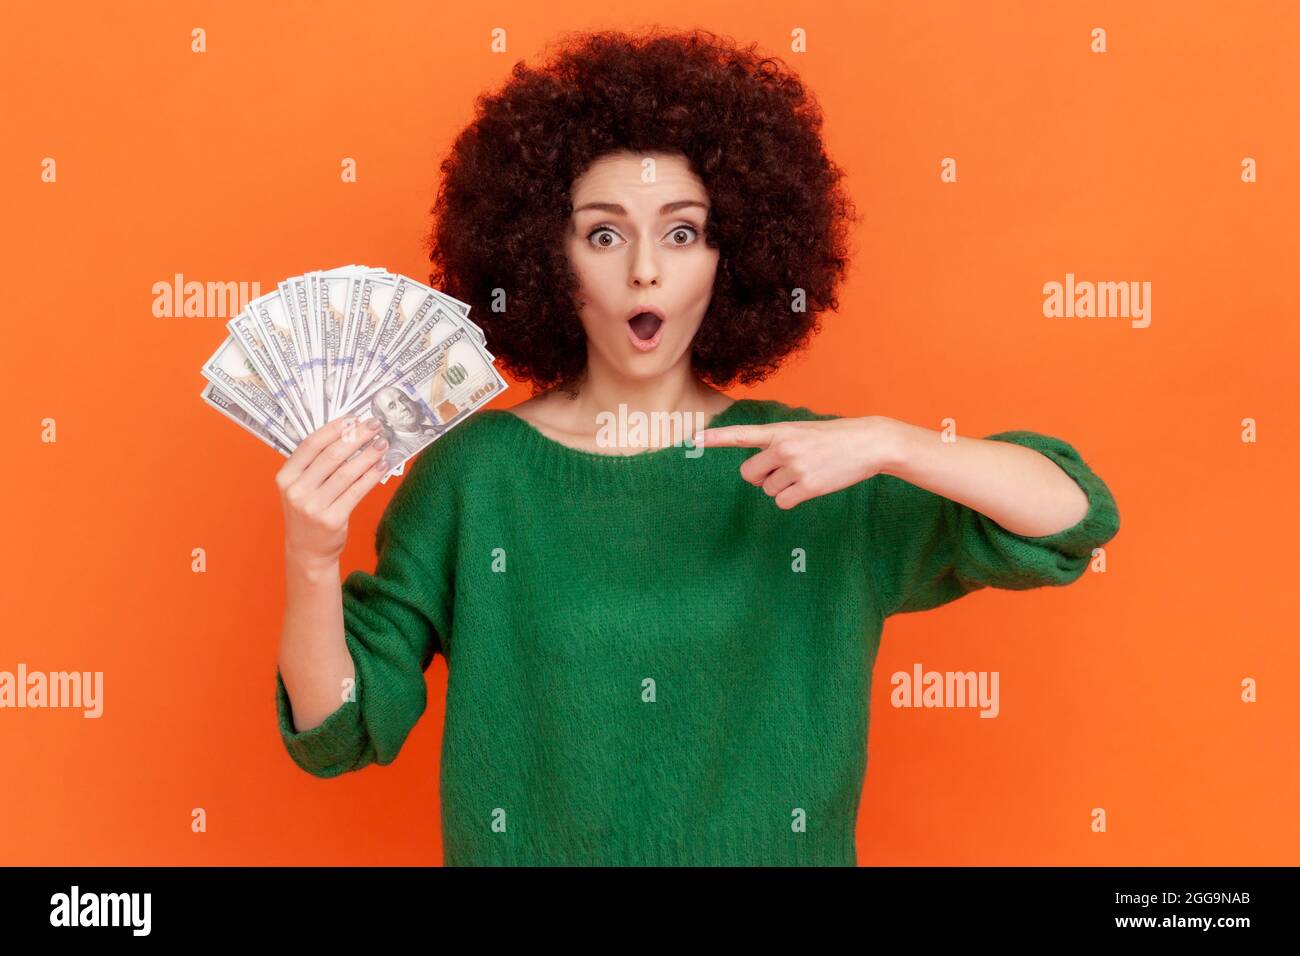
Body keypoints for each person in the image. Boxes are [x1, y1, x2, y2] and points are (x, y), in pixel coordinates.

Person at [273, 27, 1121, 866]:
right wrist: (311, 563)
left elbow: (1071, 515)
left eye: (682, 232)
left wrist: (895, 445)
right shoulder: (475, 476)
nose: (645, 270)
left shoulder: (815, 465)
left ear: (732, 255)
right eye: (604, 233)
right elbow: (340, 731)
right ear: (548, 257)